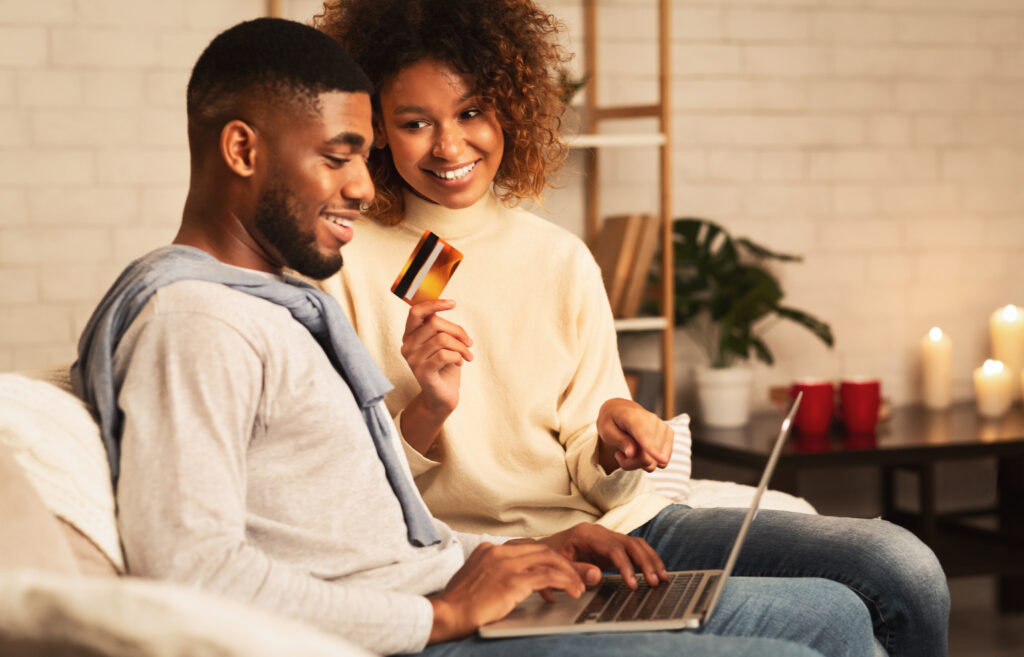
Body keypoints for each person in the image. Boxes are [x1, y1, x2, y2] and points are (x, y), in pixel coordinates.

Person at [71, 16, 883, 657]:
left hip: (456, 576)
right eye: (342, 155)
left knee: (846, 604)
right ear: (242, 148)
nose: (362, 184)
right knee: (814, 638)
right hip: (428, 619)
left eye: (361, 155)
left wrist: (509, 551)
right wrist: (441, 607)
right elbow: (189, 571)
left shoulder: (273, 302)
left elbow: (360, 523)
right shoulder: (198, 320)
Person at [313, 2, 951, 656]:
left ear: (509, 105)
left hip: (617, 525)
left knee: (901, 564)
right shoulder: (341, 264)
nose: (450, 146)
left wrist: (614, 439)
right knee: (831, 619)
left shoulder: (558, 258)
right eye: (416, 122)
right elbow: (342, 497)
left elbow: (594, 464)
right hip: (476, 558)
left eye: (472, 112)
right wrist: (427, 406)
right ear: (378, 130)